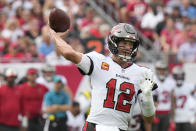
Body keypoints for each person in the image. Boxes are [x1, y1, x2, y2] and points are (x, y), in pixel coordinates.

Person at [49, 23, 156, 131]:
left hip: (120, 128)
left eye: (131, 44)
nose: (128, 47)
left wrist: (147, 97)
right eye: (124, 43)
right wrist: (54, 36)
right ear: (114, 42)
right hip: (96, 125)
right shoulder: (98, 61)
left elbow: (149, 120)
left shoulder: (142, 73)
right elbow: (68, 53)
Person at [152, 61, 175, 131]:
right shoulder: (152, 80)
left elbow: (173, 102)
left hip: (166, 113)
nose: (161, 71)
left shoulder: (170, 82)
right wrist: (151, 115)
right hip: (155, 113)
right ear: (156, 70)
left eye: (163, 69)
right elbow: (149, 100)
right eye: (159, 69)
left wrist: (172, 120)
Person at [172, 66, 195, 131]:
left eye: (181, 76)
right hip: (177, 117)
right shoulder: (171, 86)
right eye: (177, 76)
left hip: (186, 117)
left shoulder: (188, 86)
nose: (179, 78)